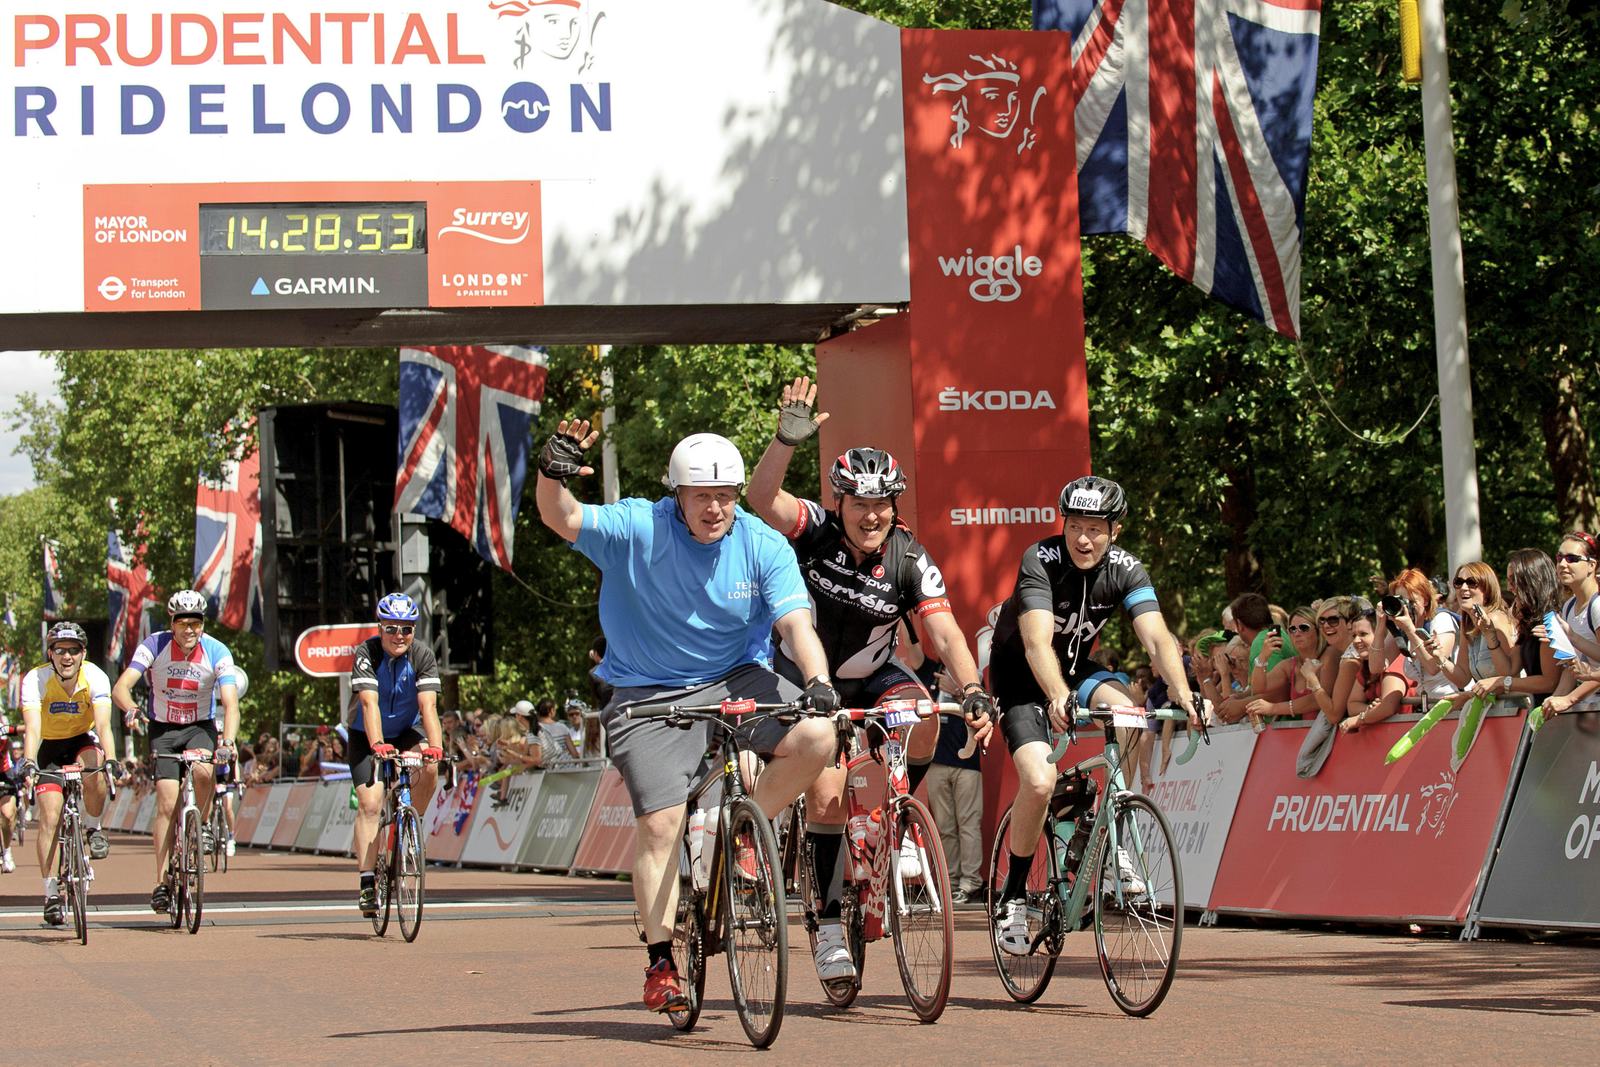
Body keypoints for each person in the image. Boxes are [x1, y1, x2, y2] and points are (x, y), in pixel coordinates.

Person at [536, 418, 840, 1015]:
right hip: (647, 691)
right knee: (660, 826)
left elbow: (795, 625)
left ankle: (746, 829)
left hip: (735, 678)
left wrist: (819, 682)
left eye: (726, 495)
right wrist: (553, 474)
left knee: (817, 735)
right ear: (676, 494)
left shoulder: (762, 542)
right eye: (702, 496)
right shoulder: (636, 527)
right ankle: (660, 963)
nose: (716, 507)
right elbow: (562, 516)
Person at [746, 377, 995, 985]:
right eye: (859, 504)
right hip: (805, 676)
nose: (871, 515)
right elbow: (760, 497)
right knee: (827, 794)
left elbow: (945, 635)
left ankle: (893, 815)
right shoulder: (814, 529)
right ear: (840, 505)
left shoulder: (910, 559)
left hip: (872, 674)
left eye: (882, 504)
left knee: (927, 716)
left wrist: (973, 691)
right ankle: (829, 924)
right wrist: (784, 439)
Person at [986, 475, 1197, 956]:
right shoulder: (1041, 559)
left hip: (1077, 667)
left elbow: (1158, 639)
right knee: (1039, 783)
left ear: (1115, 531)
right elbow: (1037, 642)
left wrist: (1185, 692)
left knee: (1129, 714)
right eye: (1075, 525)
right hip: (1022, 674)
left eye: (1095, 529)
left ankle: (1103, 827)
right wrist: (1058, 696)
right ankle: (1014, 895)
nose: (1083, 538)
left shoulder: (1126, 568)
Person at [111, 590, 238, 916]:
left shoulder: (217, 650)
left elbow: (231, 703)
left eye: (196, 623)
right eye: (183, 623)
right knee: (167, 802)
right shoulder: (154, 645)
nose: (190, 630)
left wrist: (227, 742)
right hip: (163, 729)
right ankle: (161, 883)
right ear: (173, 623)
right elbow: (121, 687)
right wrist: (131, 709)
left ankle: (205, 825)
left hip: (200, 726)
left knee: (204, 772)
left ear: (202, 625)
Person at [348, 592, 445, 917]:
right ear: (380, 628)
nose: (399, 636)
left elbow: (428, 706)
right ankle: (366, 882)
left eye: (406, 629)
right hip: (366, 734)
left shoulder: (422, 655)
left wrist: (436, 747)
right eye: (391, 628)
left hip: (406, 730)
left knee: (429, 768)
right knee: (371, 805)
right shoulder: (367, 652)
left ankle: (411, 826)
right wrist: (377, 744)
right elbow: (368, 702)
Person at [18, 623, 120, 924]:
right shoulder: (35, 679)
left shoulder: (96, 676)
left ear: (83, 654)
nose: (67, 656)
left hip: (80, 740)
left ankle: (93, 828)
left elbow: (102, 725)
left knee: (96, 764)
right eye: (60, 650)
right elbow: (33, 728)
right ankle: (50, 893)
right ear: (50, 653)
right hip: (48, 746)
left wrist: (112, 758)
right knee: (49, 816)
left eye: (73, 650)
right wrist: (28, 760)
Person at [1544, 531, 1600, 716]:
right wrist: (1555, 699)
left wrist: (1569, 699)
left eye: (1572, 558)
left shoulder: (1597, 606)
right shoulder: (1568, 607)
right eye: (1559, 557)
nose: (1562, 564)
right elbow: (1571, 667)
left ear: (1591, 565)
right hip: (1586, 710)